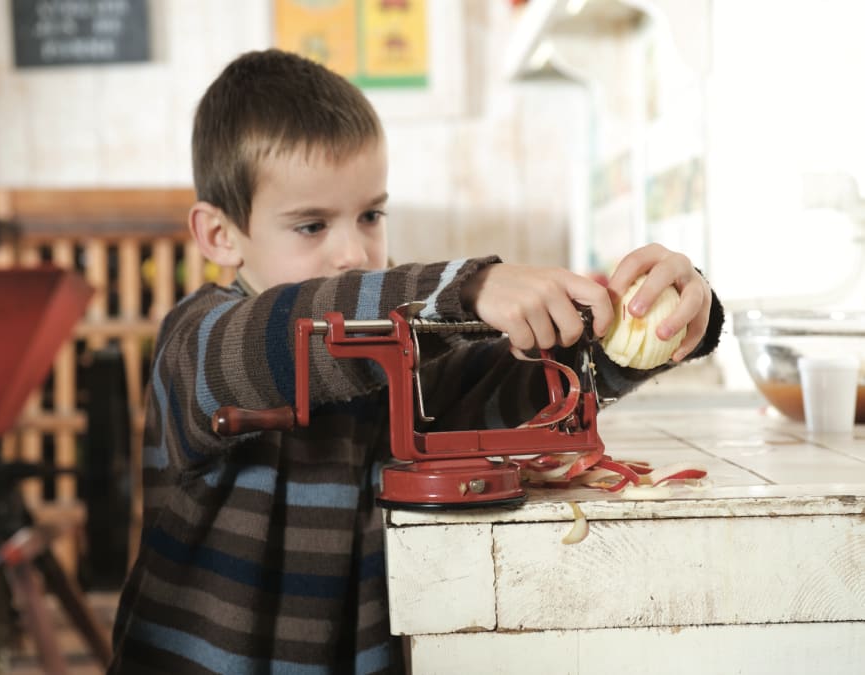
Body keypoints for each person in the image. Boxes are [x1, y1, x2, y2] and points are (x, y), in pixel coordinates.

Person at [108, 49, 724, 674]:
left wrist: (650, 329)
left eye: (370, 215)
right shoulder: (199, 342)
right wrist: (468, 288)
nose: (354, 251)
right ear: (219, 235)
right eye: (311, 225)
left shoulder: (396, 352)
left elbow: (518, 383)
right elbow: (290, 331)